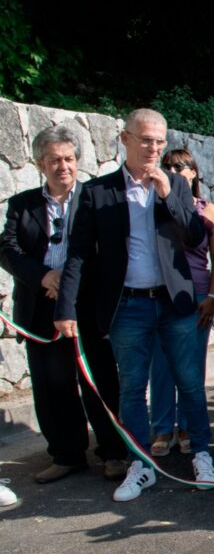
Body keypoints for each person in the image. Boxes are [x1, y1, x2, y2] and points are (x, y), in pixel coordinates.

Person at [54, 108, 214, 502]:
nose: (153, 148)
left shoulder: (177, 184)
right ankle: (141, 464)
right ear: (125, 139)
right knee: (132, 389)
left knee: (191, 384)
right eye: (146, 140)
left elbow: (195, 237)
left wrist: (167, 194)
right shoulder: (97, 191)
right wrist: (66, 308)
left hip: (174, 302)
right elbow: (77, 254)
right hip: (127, 306)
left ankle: (202, 455)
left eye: (160, 141)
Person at [0, 125, 128, 484]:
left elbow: (106, 254)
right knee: (51, 384)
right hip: (40, 306)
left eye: (69, 159)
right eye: (55, 160)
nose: (63, 166)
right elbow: (8, 249)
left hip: (87, 307)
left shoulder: (96, 199)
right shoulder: (23, 204)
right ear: (41, 163)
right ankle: (67, 454)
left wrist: (70, 286)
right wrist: (44, 277)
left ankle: (113, 452)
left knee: (99, 380)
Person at [148, 149, 214, 458]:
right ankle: (163, 427)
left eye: (181, 166)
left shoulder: (207, 210)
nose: (174, 170)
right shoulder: (155, 206)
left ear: (193, 171)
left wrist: (213, 295)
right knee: (161, 364)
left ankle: (187, 426)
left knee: (191, 366)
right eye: (167, 166)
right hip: (161, 293)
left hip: (196, 295)